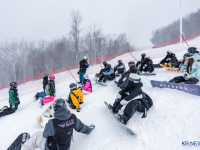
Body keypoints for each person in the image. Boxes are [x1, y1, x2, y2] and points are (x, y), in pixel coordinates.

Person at [21, 99, 95, 150]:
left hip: (53, 148)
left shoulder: (52, 122)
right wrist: (89, 129)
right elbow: (81, 127)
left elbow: (45, 135)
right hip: (66, 147)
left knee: (37, 135)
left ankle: (24, 148)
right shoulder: (73, 118)